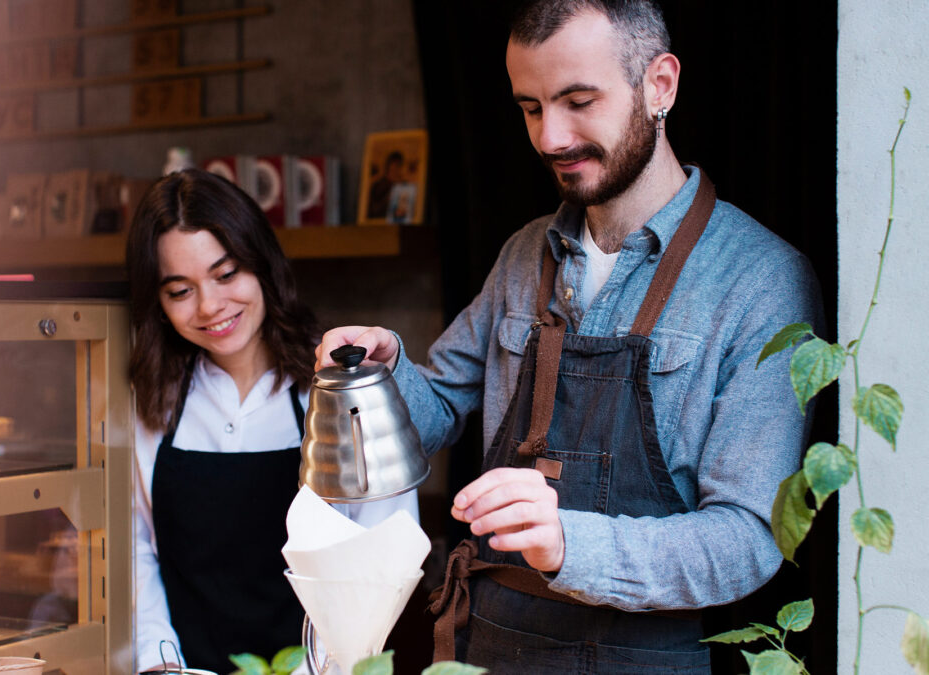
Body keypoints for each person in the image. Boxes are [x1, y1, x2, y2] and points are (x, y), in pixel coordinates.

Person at [316, 1, 824, 672]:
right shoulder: (525, 253)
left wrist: (569, 544)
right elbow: (435, 411)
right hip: (489, 647)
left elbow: (749, 539)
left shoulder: (760, 279)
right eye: (531, 107)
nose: (551, 137)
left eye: (579, 101)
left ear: (660, 85)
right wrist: (379, 373)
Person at [128, 169, 417, 674]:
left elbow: (385, 558)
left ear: (262, 264)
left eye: (226, 274)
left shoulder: (338, 390)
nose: (210, 306)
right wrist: (159, 665)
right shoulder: (149, 404)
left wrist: (317, 669)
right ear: (157, 302)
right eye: (180, 290)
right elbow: (134, 553)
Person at [366, 151, 404, 219]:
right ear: (389, 166)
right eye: (395, 165)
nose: (397, 169)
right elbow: (373, 210)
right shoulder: (378, 185)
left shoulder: (402, 184)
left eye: (399, 165)